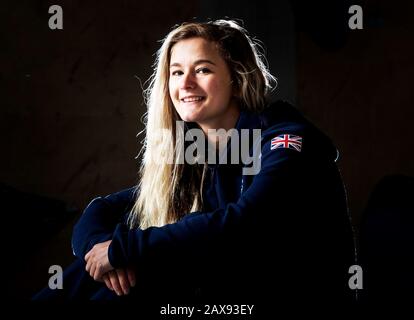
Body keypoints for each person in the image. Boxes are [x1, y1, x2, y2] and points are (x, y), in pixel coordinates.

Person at [33, 19, 356, 306]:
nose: (185, 83)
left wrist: (121, 251)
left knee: (134, 282)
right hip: (222, 292)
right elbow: (102, 209)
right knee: (98, 278)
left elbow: (243, 224)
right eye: (176, 72)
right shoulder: (202, 152)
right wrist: (100, 253)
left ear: (237, 77)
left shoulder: (285, 140)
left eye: (202, 69)